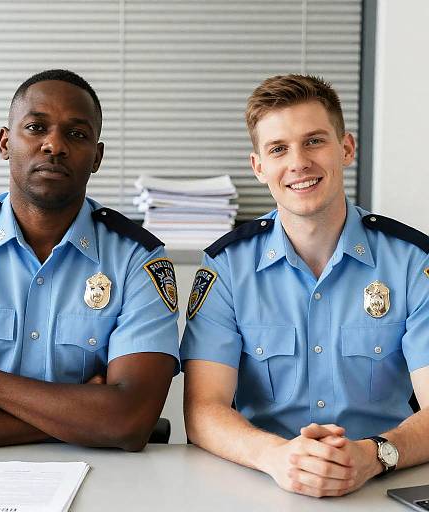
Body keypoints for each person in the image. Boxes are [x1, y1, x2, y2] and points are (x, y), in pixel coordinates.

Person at [180, 74, 429, 497]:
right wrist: (276, 456)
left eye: (314, 141)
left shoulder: (412, 262)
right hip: (260, 481)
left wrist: (375, 455)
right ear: (259, 166)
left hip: (385, 483)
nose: (298, 163)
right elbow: (203, 409)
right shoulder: (226, 266)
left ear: (346, 148)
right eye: (278, 149)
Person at [0, 69, 179, 450]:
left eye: (76, 134)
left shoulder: (137, 259)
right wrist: (81, 418)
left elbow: (130, 421)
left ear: (97, 157)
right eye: (36, 127)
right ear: (5, 142)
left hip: (102, 477)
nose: (54, 145)